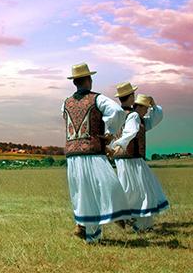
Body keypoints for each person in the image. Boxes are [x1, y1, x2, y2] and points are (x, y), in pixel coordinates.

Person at [62, 63, 132, 243]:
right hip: (92, 152)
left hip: (72, 154)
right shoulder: (98, 99)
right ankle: (114, 217)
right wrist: (109, 133)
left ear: (74, 82)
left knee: (82, 193)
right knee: (110, 185)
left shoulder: (66, 102)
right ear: (88, 80)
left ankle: (86, 229)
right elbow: (116, 111)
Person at [110, 93, 168, 232]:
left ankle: (128, 217)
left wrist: (154, 105)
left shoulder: (125, 116)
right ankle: (137, 222)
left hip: (124, 159)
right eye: (146, 107)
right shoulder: (135, 117)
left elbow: (157, 117)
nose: (147, 110)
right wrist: (119, 145)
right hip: (133, 160)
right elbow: (129, 133)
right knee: (143, 191)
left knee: (134, 189)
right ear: (139, 106)